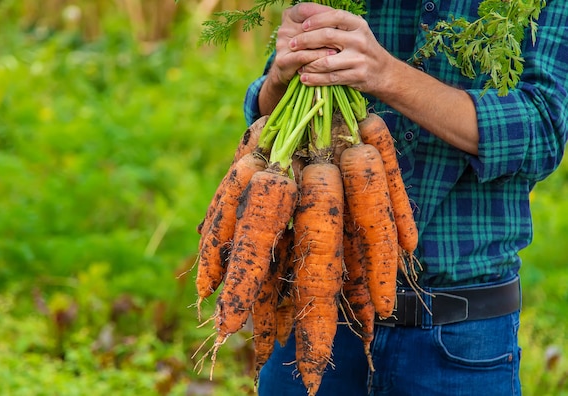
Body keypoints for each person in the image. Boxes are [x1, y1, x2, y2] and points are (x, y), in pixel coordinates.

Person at [242, 1, 568, 395]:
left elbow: (541, 133)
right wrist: (281, 74)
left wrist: (387, 75)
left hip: (460, 331)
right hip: (315, 301)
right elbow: (268, 118)